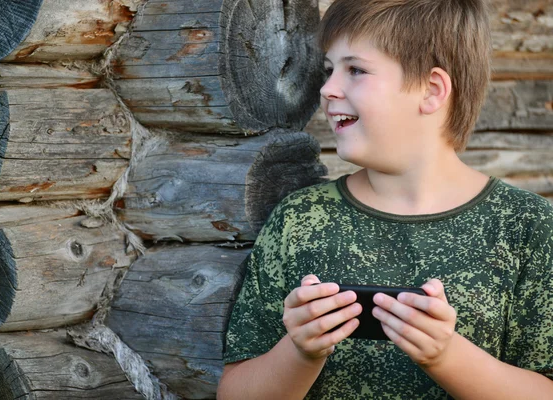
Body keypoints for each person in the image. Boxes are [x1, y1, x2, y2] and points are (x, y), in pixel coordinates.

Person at [217, 0, 553, 398]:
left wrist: (446, 356)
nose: (327, 89)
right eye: (328, 70)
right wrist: (300, 352)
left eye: (355, 70)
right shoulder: (300, 219)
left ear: (430, 91)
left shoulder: (527, 225)